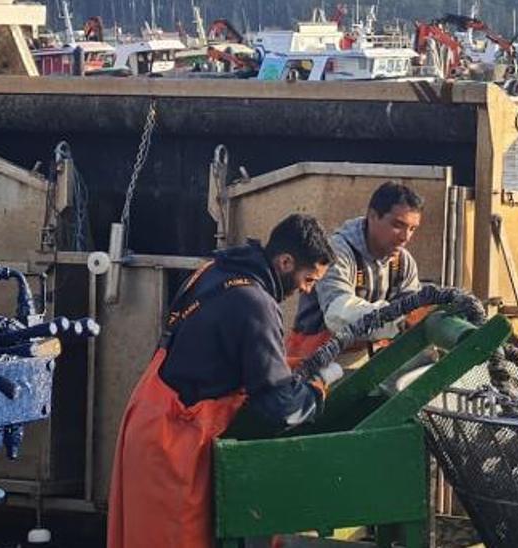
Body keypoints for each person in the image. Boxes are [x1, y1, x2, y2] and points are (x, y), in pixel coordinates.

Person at [107, 214, 343, 548]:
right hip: (176, 441)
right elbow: (278, 406)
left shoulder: (213, 269)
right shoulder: (256, 304)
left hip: (146, 419)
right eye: (308, 279)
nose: (307, 289)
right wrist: (316, 392)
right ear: (285, 261)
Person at [286, 181, 425, 368]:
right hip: (312, 365)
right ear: (373, 215)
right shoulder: (336, 252)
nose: (405, 237)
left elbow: (413, 318)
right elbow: (338, 315)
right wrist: (400, 318)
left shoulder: (404, 262)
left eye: (412, 229)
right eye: (398, 225)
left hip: (365, 369)